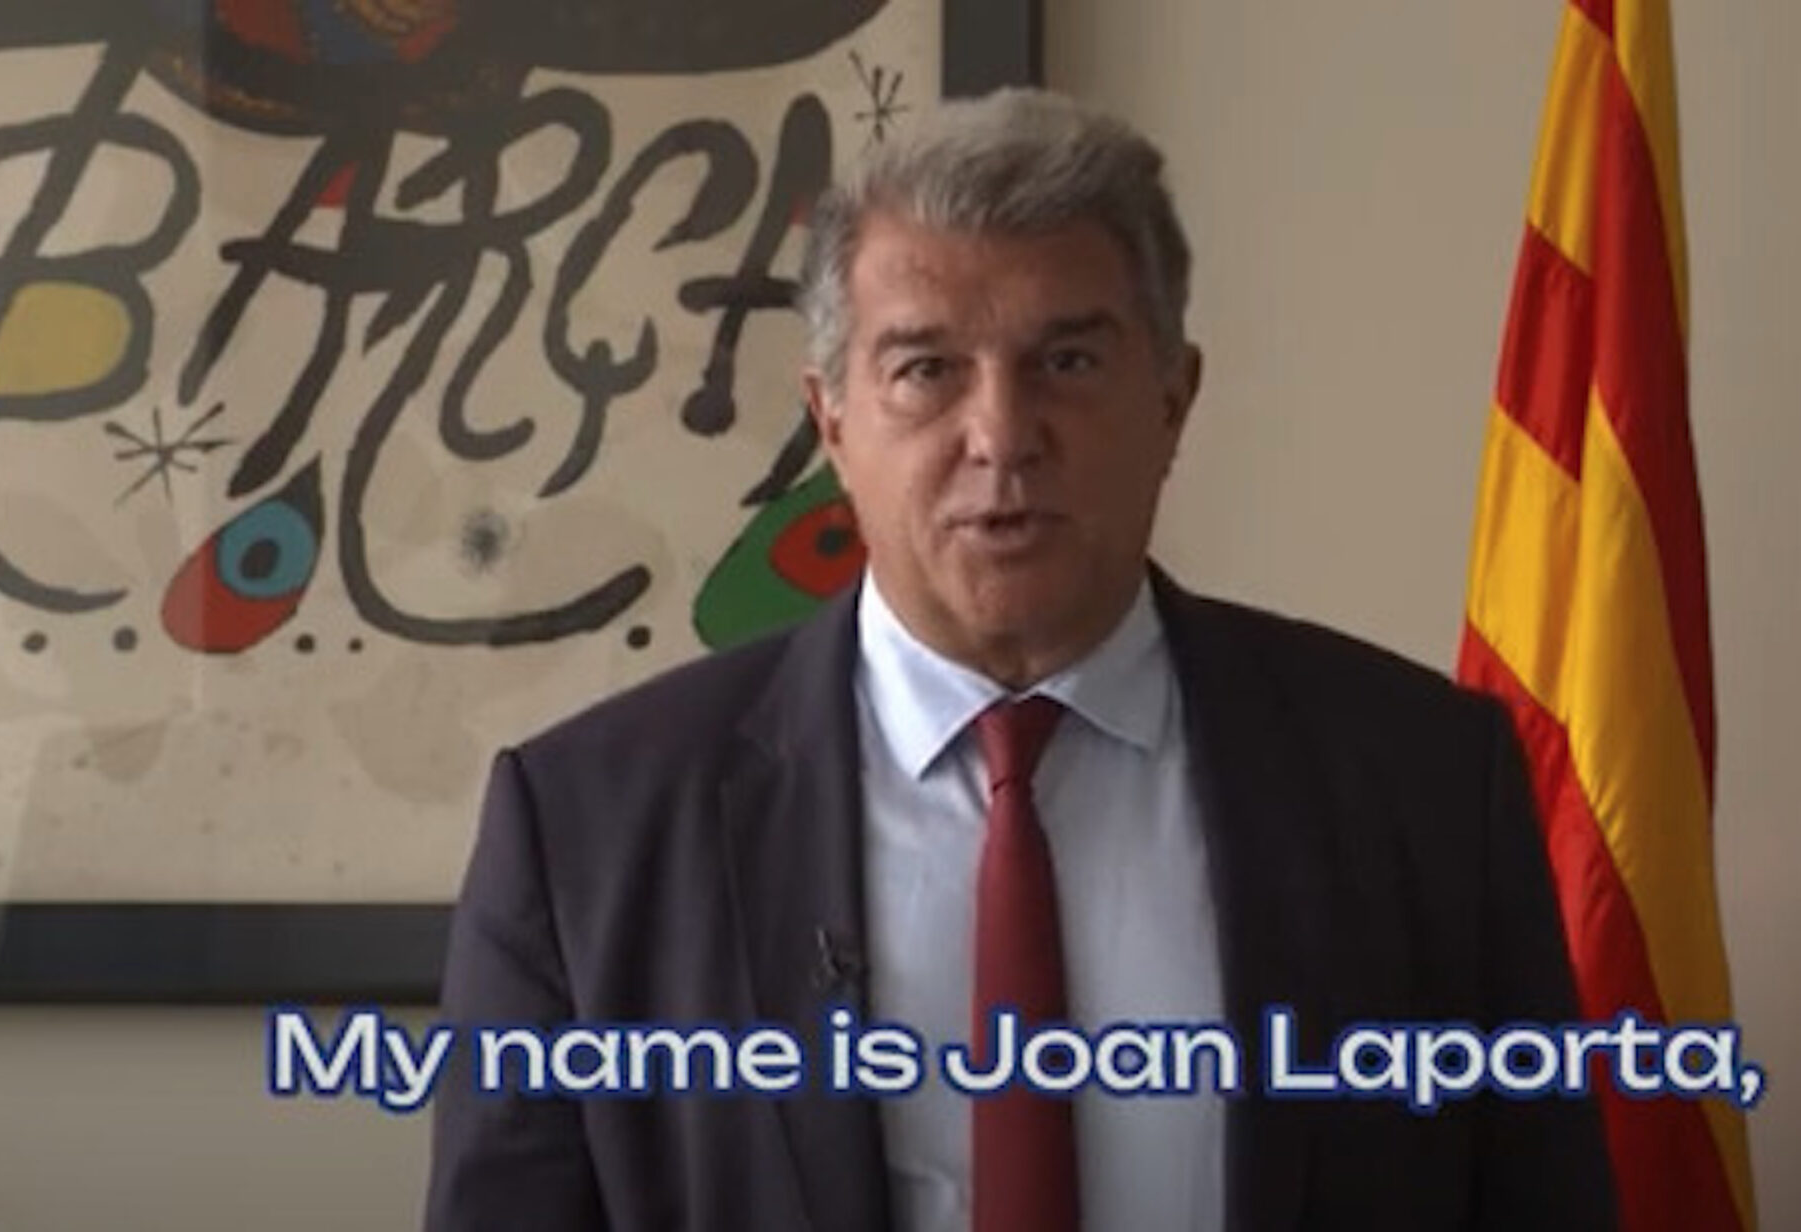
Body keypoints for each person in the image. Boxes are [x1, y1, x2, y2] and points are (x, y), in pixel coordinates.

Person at [424, 87, 1615, 1231]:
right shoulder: (583, 828)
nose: (1000, 435)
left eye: (1068, 361)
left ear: (1174, 399)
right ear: (831, 421)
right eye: (926, 369)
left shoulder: (1425, 782)